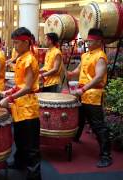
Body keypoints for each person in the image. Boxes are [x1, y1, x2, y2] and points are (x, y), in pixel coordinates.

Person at [0, 27, 41, 180]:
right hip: (19, 105)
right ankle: (19, 163)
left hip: (28, 107)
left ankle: (34, 175)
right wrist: (10, 91)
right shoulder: (21, 57)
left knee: (31, 145)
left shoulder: (29, 59)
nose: (14, 46)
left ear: (25, 42)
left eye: (16, 43)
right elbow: (22, 84)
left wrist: (8, 99)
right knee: (20, 139)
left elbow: (28, 87)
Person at [68, 28, 112, 168]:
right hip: (83, 92)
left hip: (93, 94)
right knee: (79, 118)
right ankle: (76, 137)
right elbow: (77, 71)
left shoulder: (100, 56)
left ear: (99, 41)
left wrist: (83, 89)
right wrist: (69, 73)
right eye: (87, 40)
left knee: (98, 125)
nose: (88, 43)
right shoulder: (85, 55)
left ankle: (106, 155)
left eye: (91, 41)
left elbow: (99, 77)